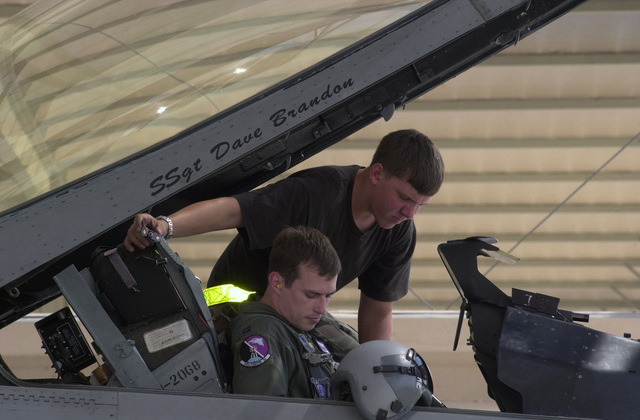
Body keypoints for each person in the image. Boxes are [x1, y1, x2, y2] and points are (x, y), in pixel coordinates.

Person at [124, 129, 445, 343]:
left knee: (350, 356)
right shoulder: (315, 192)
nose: (410, 214)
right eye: (405, 198)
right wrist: (166, 226)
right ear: (377, 174)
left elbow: (377, 312)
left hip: (295, 312)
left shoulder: (398, 232)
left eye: (420, 205)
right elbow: (234, 210)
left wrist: (379, 375)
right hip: (232, 301)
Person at [231, 225, 340, 398]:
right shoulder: (263, 334)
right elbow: (258, 412)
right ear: (276, 283)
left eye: (328, 296)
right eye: (311, 295)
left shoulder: (299, 322)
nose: (322, 309)